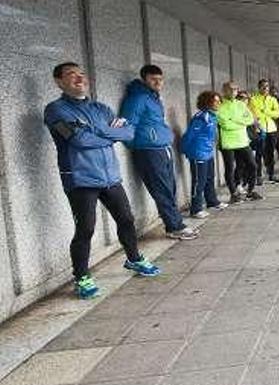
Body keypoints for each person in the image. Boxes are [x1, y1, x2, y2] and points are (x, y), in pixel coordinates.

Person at [44, 62, 160, 299]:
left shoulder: (101, 108)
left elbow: (128, 133)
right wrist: (110, 134)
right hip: (80, 179)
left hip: (109, 176)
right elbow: (79, 140)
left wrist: (99, 132)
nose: (78, 78)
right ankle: (82, 277)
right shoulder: (56, 110)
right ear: (59, 82)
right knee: (85, 228)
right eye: (70, 75)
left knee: (126, 220)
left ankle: (134, 259)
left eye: (81, 74)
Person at [120, 64, 197, 240]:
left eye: (160, 79)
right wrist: (139, 144)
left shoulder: (153, 98)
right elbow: (126, 124)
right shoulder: (138, 98)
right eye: (153, 79)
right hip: (148, 150)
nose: (158, 82)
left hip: (162, 148)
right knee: (162, 189)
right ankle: (174, 226)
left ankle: (176, 222)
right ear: (144, 79)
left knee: (170, 188)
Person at [180, 91, 228, 219]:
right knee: (198, 182)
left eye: (219, 101)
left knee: (209, 178)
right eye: (215, 101)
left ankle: (212, 201)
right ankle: (195, 209)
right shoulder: (201, 117)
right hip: (198, 153)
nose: (218, 103)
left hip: (208, 152)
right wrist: (186, 150)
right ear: (207, 102)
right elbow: (189, 135)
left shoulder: (212, 116)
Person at [217, 81, 261, 203]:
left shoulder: (241, 105)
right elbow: (225, 124)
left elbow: (250, 119)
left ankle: (250, 191)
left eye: (235, 89)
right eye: (230, 89)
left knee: (252, 165)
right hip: (228, 142)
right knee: (230, 168)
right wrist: (240, 122)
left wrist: (234, 120)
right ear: (224, 91)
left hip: (242, 140)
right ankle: (233, 194)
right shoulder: (220, 106)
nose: (233, 92)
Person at [249, 79, 279, 184]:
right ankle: (259, 175)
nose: (265, 89)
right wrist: (264, 114)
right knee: (259, 153)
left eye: (267, 87)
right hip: (260, 129)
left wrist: (266, 111)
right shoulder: (253, 99)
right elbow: (254, 113)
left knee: (270, 153)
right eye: (263, 87)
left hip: (272, 129)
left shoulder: (272, 99)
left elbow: (277, 114)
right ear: (259, 87)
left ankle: (271, 174)